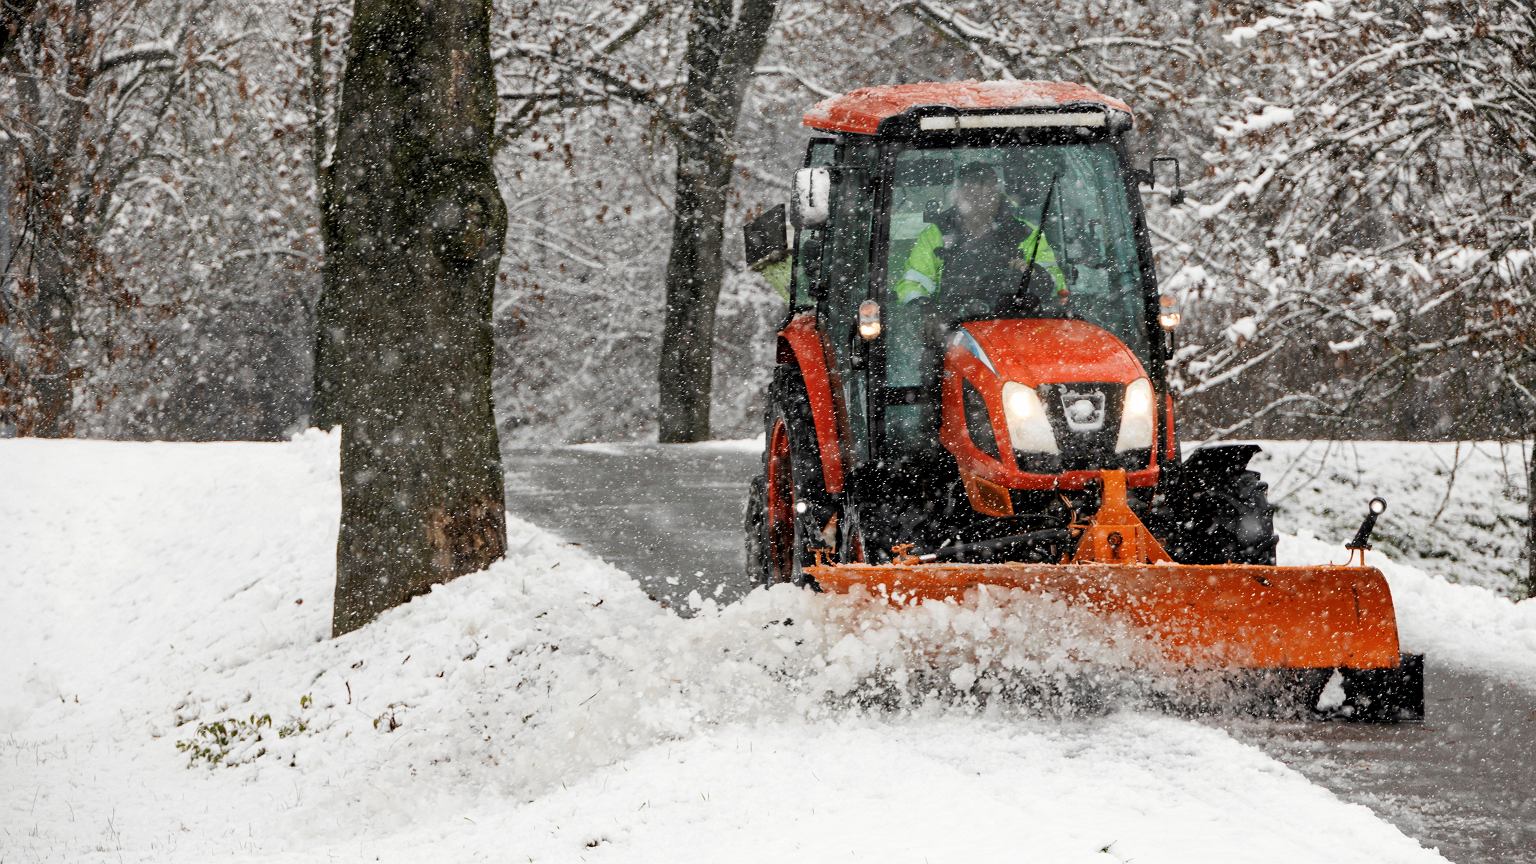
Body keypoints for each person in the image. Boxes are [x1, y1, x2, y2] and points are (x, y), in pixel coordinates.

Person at [892, 161, 1068, 309]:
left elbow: (1056, 282)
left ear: (997, 195)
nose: (980, 200)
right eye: (973, 193)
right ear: (959, 194)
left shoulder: (1025, 233)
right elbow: (914, 283)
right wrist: (926, 309)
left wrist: (1033, 273)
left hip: (1018, 321)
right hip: (953, 326)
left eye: (987, 192)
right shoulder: (935, 235)